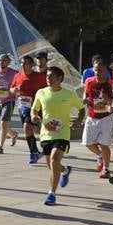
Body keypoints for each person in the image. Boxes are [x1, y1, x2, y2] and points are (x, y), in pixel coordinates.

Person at [31, 66, 84, 206]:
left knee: (54, 160)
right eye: (47, 76)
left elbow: (81, 109)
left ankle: (51, 194)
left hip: (62, 134)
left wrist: (79, 120)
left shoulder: (69, 94)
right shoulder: (41, 92)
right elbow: (34, 109)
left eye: (51, 76)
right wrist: (34, 116)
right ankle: (65, 171)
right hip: (46, 134)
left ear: (59, 78)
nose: (48, 78)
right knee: (52, 166)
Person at [81, 56, 113, 181]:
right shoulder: (89, 81)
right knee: (87, 142)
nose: (97, 73)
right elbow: (86, 94)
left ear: (105, 70)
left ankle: (106, 168)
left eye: (100, 70)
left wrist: (108, 99)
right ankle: (100, 155)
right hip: (92, 116)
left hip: (106, 117)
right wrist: (84, 99)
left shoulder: (111, 84)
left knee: (104, 144)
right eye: (96, 70)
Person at [11, 54, 48, 165]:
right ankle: (36, 150)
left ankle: (33, 152)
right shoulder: (18, 75)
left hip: (35, 106)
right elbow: (11, 88)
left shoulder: (39, 76)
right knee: (29, 129)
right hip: (22, 106)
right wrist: (14, 90)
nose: (23, 65)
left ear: (31, 64)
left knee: (27, 127)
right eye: (22, 63)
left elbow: (47, 89)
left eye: (26, 63)